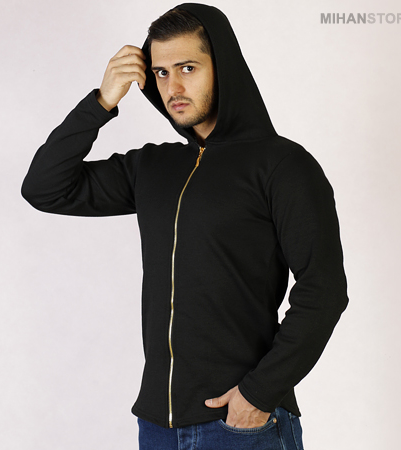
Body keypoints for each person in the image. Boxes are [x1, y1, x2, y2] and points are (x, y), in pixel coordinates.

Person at [22, 3, 348, 449]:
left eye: (187, 68)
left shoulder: (282, 165)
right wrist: (101, 101)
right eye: (160, 72)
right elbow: (45, 188)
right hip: (157, 427)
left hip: (241, 425)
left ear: (222, 67)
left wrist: (257, 395)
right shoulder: (153, 167)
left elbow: (324, 290)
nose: (172, 87)